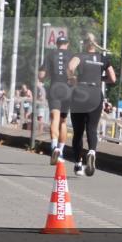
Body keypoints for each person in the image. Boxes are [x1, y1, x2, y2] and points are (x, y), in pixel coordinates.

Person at [67, 33, 117, 176]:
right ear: (95, 44)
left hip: (80, 93)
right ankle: (92, 151)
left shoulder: (80, 56)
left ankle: (78, 164)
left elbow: (70, 67)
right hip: (95, 94)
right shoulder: (103, 58)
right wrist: (99, 78)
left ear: (84, 43)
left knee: (78, 132)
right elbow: (112, 78)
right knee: (92, 128)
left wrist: (73, 78)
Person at [40, 34, 73, 165]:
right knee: (63, 121)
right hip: (67, 89)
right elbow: (74, 74)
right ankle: (61, 151)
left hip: (54, 87)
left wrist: (45, 75)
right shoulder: (72, 56)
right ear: (68, 44)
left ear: (57, 44)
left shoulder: (50, 54)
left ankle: (54, 147)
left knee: (55, 118)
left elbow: (42, 75)